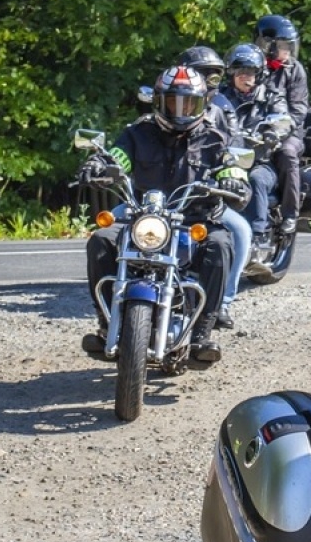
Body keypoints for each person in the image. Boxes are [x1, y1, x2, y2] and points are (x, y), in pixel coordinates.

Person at [79, 64, 249, 364]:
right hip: (144, 219)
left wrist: (233, 177)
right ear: (158, 101)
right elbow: (118, 156)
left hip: (195, 220)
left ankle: (201, 336)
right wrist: (100, 165)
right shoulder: (139, 132)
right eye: (173, 102)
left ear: (202, 103)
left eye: (189, 103)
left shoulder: (216, 137)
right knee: (101, 239)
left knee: (220, 245)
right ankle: (107, 324)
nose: (181, 110)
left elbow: (231, 163)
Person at [212, 43, 290, 327]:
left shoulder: (270, 95)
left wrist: (270, 132)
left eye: (252, 72)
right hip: (226, 161)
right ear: (232, 72)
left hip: (259, 161)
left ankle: (256, 237)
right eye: (242, 71)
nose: (247, 77)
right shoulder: (219, 98)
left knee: (257, 179)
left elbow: (284, 120)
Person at [181, 44, 247, 329]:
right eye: (201, 74)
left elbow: (233, 146)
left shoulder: (220, 111)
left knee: (240, 232)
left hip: (202, 199)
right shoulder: (164, 103)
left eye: (213, 76)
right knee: (109, 232)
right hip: (158, 201)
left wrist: (232, 173)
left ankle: (222, 302)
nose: (208, 83)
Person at [254, 14, 309, 240]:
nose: (287, 52)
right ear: (267, 45)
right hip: (254, 126)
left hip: (289, 131)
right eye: (283, 46)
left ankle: (289, 214)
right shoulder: (251, 66)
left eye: (290, 47)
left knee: (287, 153)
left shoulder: (295, 70)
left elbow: (299, 109)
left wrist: (281, 129)